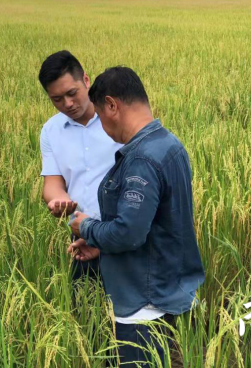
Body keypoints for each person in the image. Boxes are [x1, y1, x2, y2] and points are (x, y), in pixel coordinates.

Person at [69, 66, 205, 366]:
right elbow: (157, 225)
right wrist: (102, 247)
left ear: (112, 105)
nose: (102, 126)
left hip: (143, 302)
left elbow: (128, 232)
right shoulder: (169, 144)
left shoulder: (141, 158)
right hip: (167, 288)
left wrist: (85, 227)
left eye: (99, 116)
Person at [38, 51, 122, 280]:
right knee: (83, 309)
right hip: (82, 238)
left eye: (71, 93)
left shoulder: (117, 117)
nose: (67, 104)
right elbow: (53, 183)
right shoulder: (50, 131)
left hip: (123, 234)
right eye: (57, 99)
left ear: (86, 80)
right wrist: (58, 201)